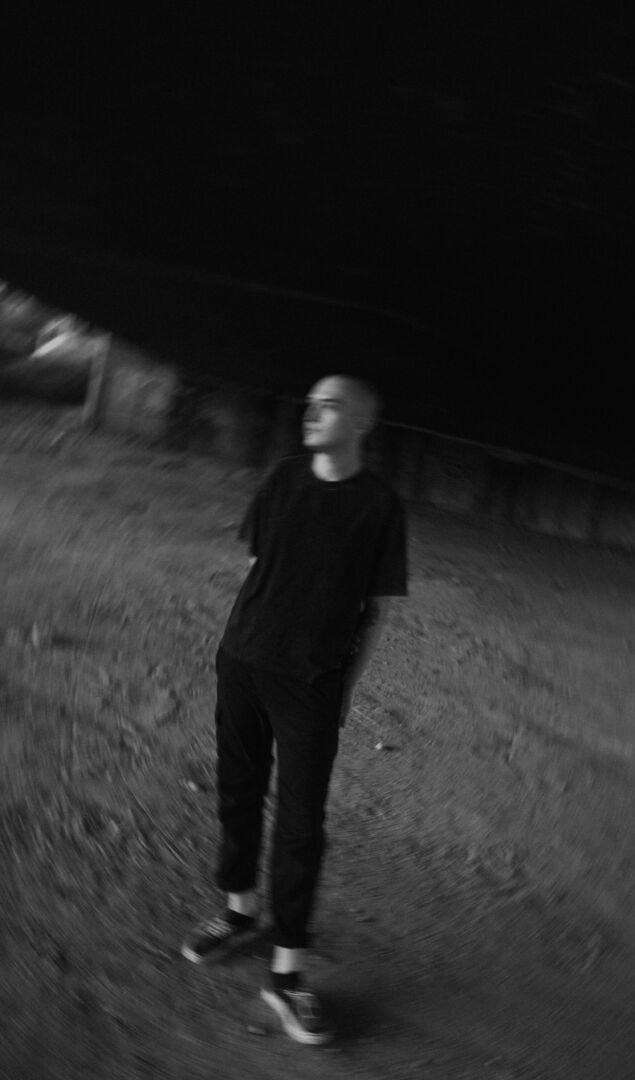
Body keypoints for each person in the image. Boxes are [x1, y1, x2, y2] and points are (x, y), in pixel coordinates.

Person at [181, 374, 408, 1045]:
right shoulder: (282, 478)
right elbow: (261, 564)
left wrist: (344, 691)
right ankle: (238, 909)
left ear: (361, 423)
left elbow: (375, 613)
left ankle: (286, 974)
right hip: (243, 660)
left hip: (310, 684)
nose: (313, 412)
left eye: (329, 405)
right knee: (238, 788)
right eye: (311, 403)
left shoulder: (380, 505)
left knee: (301, 825)